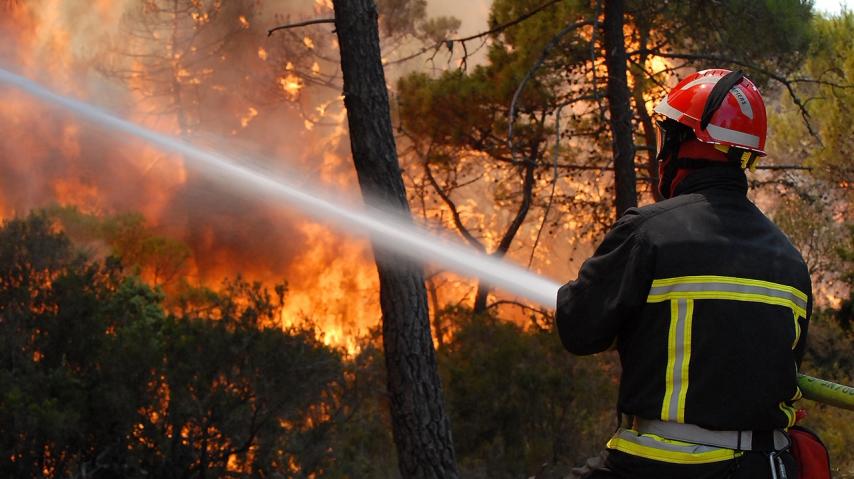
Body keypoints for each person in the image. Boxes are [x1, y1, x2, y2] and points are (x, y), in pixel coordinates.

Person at [557, 69, 812, 479]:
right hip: (765, 467)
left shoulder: (649, 231)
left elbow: (578, 330)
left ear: (680, 143)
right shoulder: (790, 259)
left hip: (661, 465)